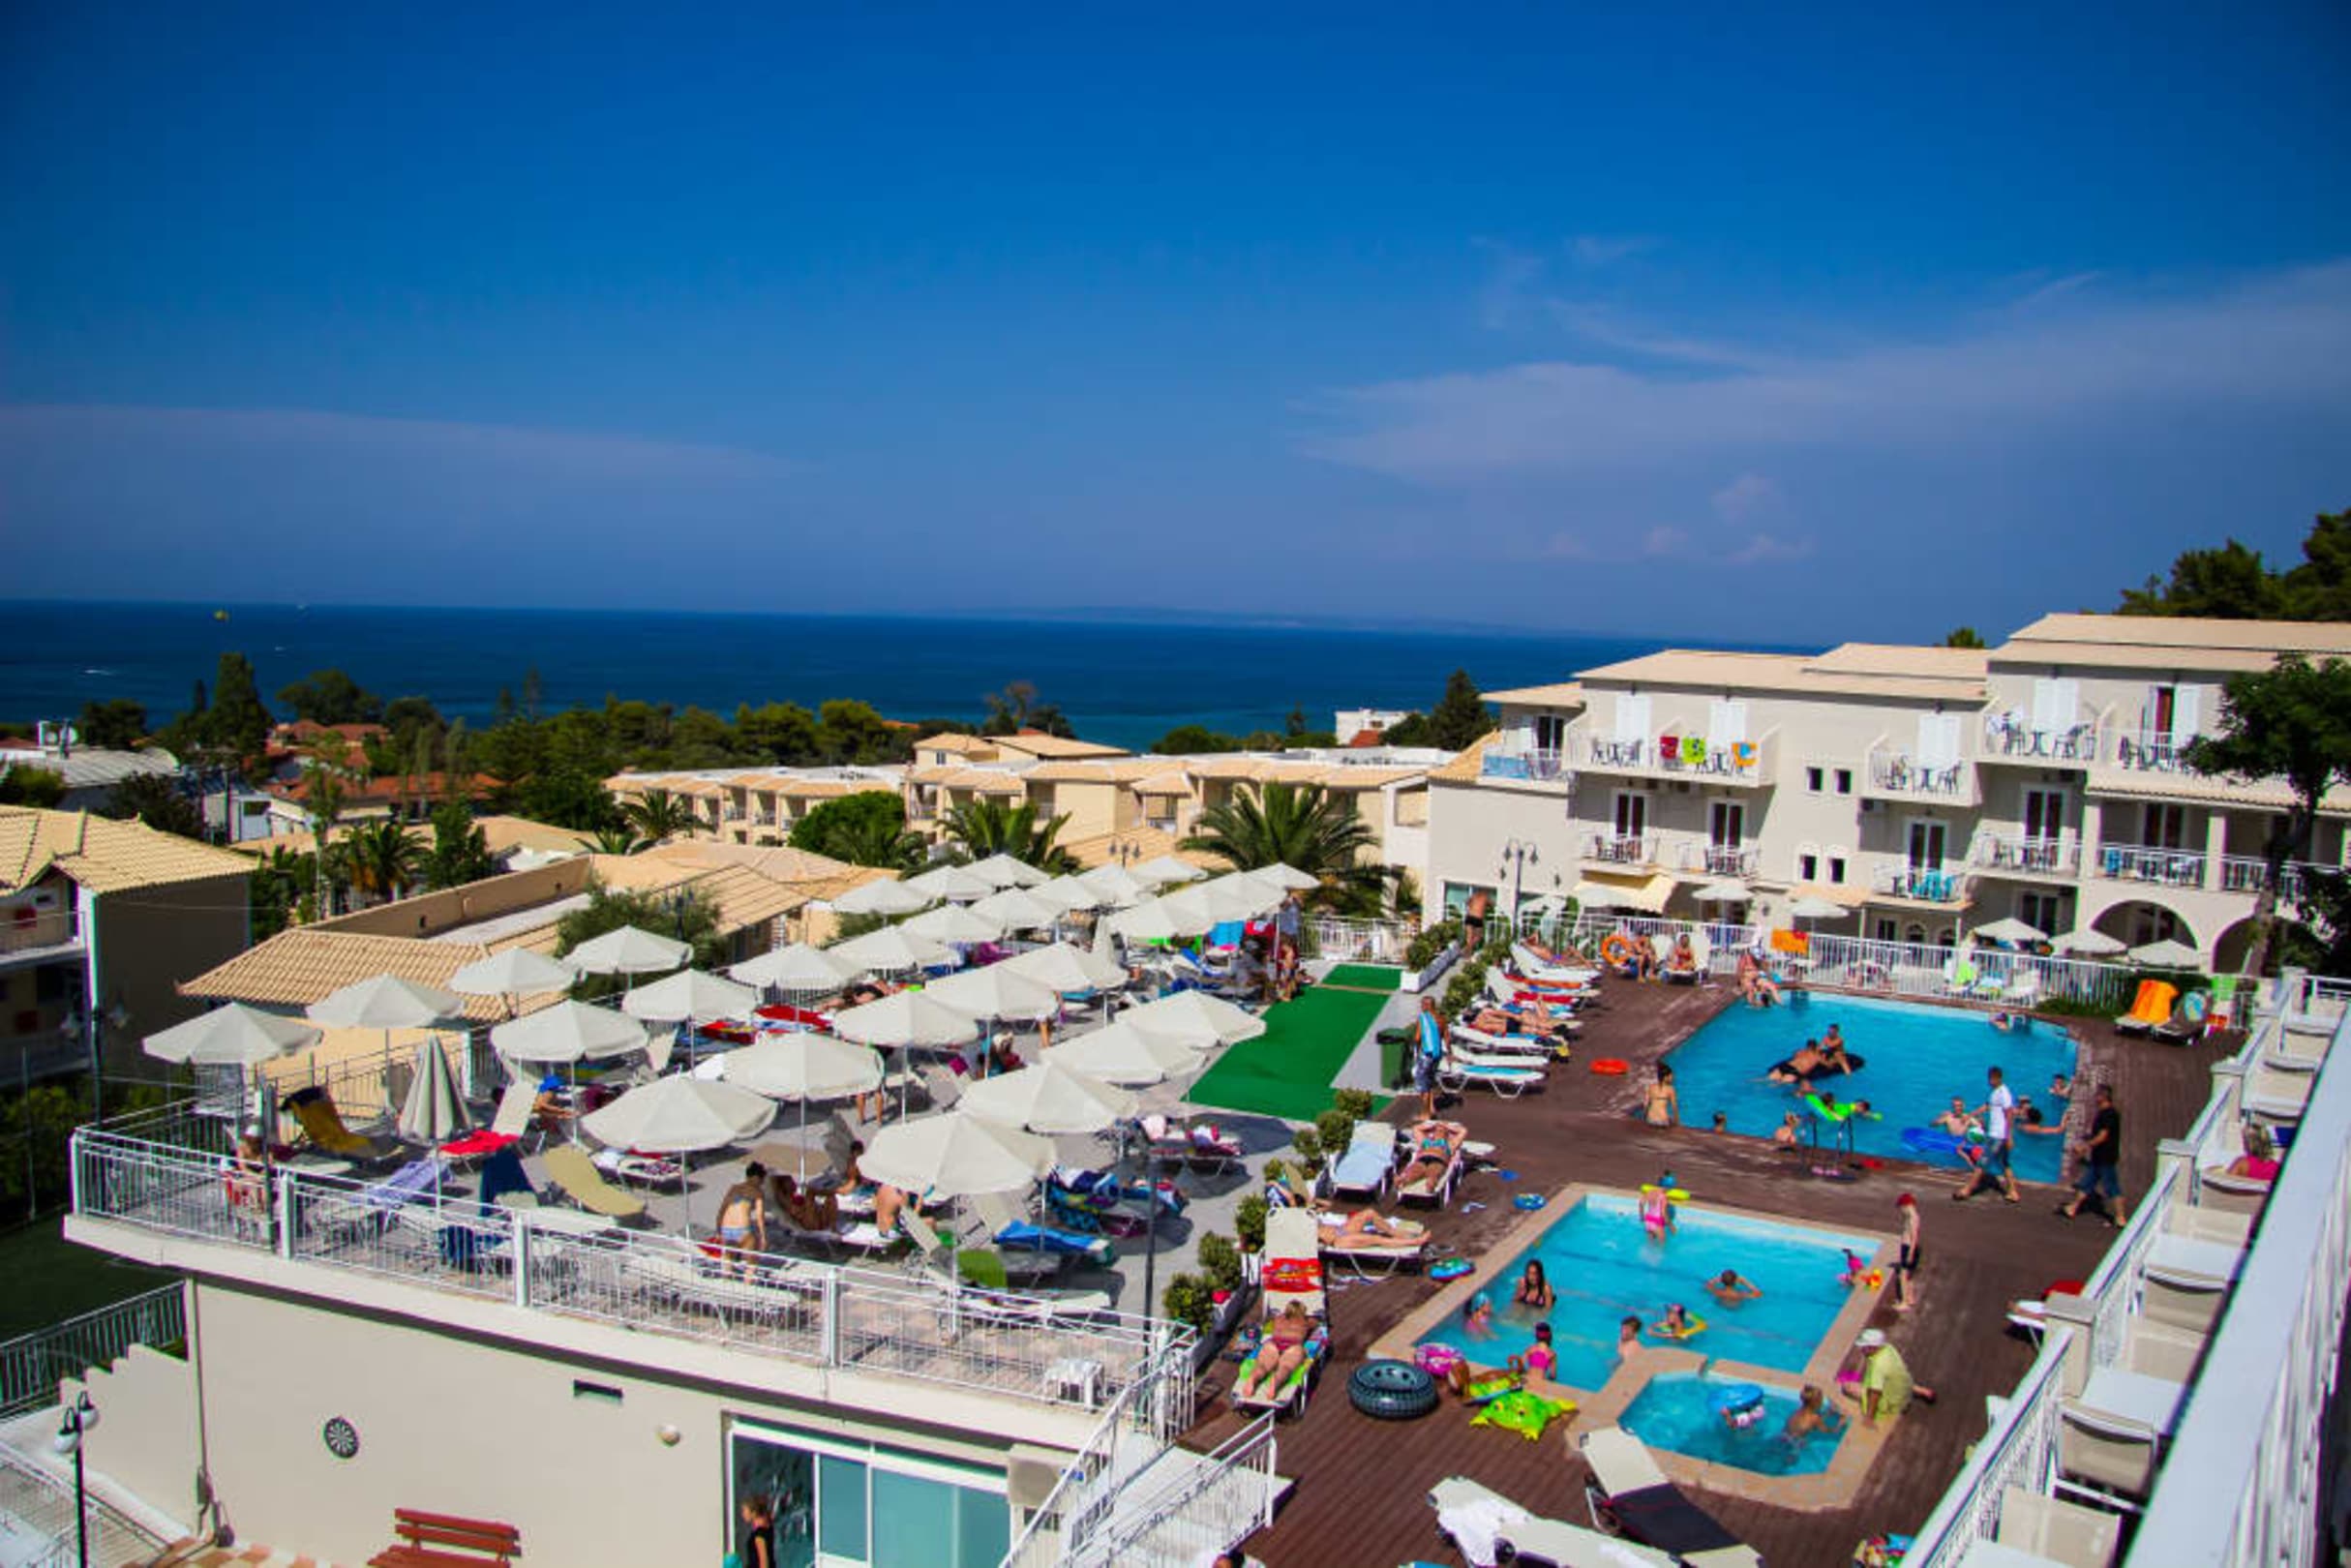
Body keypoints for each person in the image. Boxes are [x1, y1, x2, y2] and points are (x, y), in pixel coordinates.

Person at [2059, 1084, 2125, 1225]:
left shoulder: (2109, 1114)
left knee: (2112, 1188)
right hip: (2098, 1157)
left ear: (2103, 1097)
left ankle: (2120, 1217)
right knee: (2087, 1184)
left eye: (2097, 1095)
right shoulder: (2104, 1113)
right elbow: (2099, 1133)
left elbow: (2102, 1136)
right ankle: (2072, 1208)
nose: (2095, 1098)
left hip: (2105, 1157)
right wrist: (2086, 1137)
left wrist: (2084, 1146)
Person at [1842, 1329, 1936, 1427]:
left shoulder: (1877, 1367)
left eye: (1864, 1348)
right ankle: (1923, 1391)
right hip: (1904, 1382)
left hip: (1895, 1400)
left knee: (1858, 1391)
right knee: (1897, 1380)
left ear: (1872, 1347)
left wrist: (1869, 1417)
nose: (1861, 1350)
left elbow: (1875, 1394)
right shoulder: (1888, 1348)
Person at [1953, 1067, 2019, 1204]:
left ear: (1998, 1078)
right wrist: (1970, 1115)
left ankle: (1967, 1190)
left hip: (1998, 1135)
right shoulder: (1994, 1092)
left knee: (1982, 1163)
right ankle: (2013, 1192)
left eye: (1991, 1079)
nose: (1989, 1081)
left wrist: (2009, 1136)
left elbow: (2009, 1114)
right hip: (1994, 1134)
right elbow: (1987, 1106)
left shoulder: (2004, 1093)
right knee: (2004, 1164)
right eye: (1989, 1078)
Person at [1233, 1302, 1314, 1402]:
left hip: (1273, 1344)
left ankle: (1253, 1377)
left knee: (1262, 1365)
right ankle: (1276, 1381)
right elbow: (1318, 1325)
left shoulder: (1278, 1319)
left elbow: (1270, 1326)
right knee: (1286, 1368)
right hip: (1293, 1347)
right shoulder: (1305, 1322)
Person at [716, 1165, 770, 1272]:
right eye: (762, 1180)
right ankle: (748, 1280)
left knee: (728, 1258)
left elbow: (722, 1210)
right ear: (756, 1177)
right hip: (742, 1230)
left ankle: (727, 1278)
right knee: (752, 1260)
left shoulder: (733, 1188)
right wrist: (763, 1237)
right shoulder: (757, 1192)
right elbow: (759, 1216)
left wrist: (718, 1230)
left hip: (726, 1229)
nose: (762, 1183)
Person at [1401, 1118, 1465, 1190]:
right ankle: (1403, 1181)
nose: (1439, 1130)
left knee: (1433, 1173)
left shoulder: (1449, 1144)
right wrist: (1433, 1125)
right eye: (1437, 1129)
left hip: (1438, 1161)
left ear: (1447, 1133)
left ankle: (1430, 1184)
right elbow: (1416, 1128)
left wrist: (1446, 1126)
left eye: (1442, 1130)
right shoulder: (1426, 1141)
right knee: (1415, 1170)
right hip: (1422, 1159)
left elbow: (1463, 1131)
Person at [1314, 1208, 1422, 1250]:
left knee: (1369, 1213)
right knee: (1376, 1238)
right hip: (1338, 1240)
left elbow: (1327, 1205)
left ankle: (1395, 1233)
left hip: (1341, 1229)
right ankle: (1414, 1241)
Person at [771, 1172, 840, 1233]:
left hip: (819, 1220)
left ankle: (833, 1227)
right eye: (789, 1181)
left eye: (791, 1180)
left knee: (831, 1198)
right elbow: (776, 1189)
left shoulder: (796, 1196)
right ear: (783, 1185)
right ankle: (829, 1188)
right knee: (810, 1192)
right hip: (809, 1223)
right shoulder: (786, 1200)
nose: (793, 1182)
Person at [1413, 997, 1445, 1119]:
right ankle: (1432, 1108)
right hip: (1437, 1055)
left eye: (1422, 1004)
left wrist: (1416, 1048)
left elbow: (1417, 1038)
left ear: (1427, 1005)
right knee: (1430, 1081)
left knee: (1423, 1086)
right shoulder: (1441, 1018)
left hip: (1426, 1055)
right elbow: (1445, 1037)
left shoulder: (1423, 1018)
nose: (1421, 1007)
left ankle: (1425, 1114)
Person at [1783, 1384, 1849, 1443]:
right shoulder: (1815, 1418)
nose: (1822, 1403)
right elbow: (1828, 1431)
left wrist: (1828, 1413)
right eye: (1821, 1401)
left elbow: (1811, 1423)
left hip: (1784, 1437)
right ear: (1816, 1403)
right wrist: (1840, 1424)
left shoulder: (1797, 1411)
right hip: (1797, 1442)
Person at [1892, 1192, 1922, 1312]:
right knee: (1910, 1275)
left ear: (1906, 1205)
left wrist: (1910, 1253)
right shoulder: (1915, 1216)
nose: (1901, 1211)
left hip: (1908, 1247)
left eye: (1901, 1208)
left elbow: (1914, 1237)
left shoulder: (1912, 1218)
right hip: (1912, 1248)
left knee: (1903, 1276)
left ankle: (1904, 1303)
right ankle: (1910, 1298)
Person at [736, 1493, 776, 1568]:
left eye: (744, 1511)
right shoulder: (766, 1527)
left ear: (753, 1513)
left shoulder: (759, 1533)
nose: (742, 1514)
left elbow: (763, 1562)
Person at [1643, 1063, 1679, 1127]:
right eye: (1671, 1076)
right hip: (1663, 1121)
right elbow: (1674, 1107)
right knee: (1670, 1119)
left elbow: (1646, 1105)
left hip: (1650, 1120)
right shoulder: (1670, 1089)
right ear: (1665, 1077)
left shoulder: (1651, 1087)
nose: (1673, 1077)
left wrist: (1645, 1118)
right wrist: (1677, 1121)